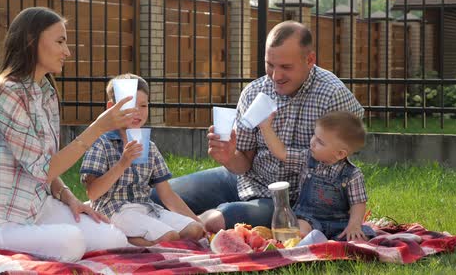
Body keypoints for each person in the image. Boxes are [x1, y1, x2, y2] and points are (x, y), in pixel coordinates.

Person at [0, 7, 135, 262]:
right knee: (72, 243)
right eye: (60, 41)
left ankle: (47, 236)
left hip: (38, 206)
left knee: (113, 238)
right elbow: (42, 169)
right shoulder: (5, 92)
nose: (67, 51)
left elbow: (44, 165)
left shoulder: (46, 92)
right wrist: (98, 128)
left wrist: (69, 197)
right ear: (31, 41)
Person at [151, 20, 364, 233]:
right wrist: (228, 156)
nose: (275, 76)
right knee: (155, 195)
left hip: (292, 201)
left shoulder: (333, 96)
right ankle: (162, 224)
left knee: (221, 219)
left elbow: (341, 166)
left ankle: (182, 228)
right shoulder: (254, 93)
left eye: (286, 67)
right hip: (245, 180)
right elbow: (243, 163)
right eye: (270, 65)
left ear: (310, 60)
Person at [80, 74, 204, 246]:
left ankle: (152, 242)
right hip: (114, 211)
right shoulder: (101, 143)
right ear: (111, 108)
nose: (137, 111)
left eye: (143, 105)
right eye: (131, 105)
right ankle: (122, 242)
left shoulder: (149, 146)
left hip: (146, 208)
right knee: (169, 238)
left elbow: (167, 194)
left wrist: (198, 221)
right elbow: (93, 193)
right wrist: (123, 163)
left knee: (194, 231)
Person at [259, 110, 375, 241]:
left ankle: (322, 242)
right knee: (300, 232)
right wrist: (265, 127)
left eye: (320, 142)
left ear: (340, 154)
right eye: (314, 135)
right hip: (308, 219)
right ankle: (312, 242)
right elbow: (281, 152)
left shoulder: (353, 174)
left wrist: (354, 225)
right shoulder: (305, 159)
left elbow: (358, 203)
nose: (312, 142)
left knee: (360, 237)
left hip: (339, 223)